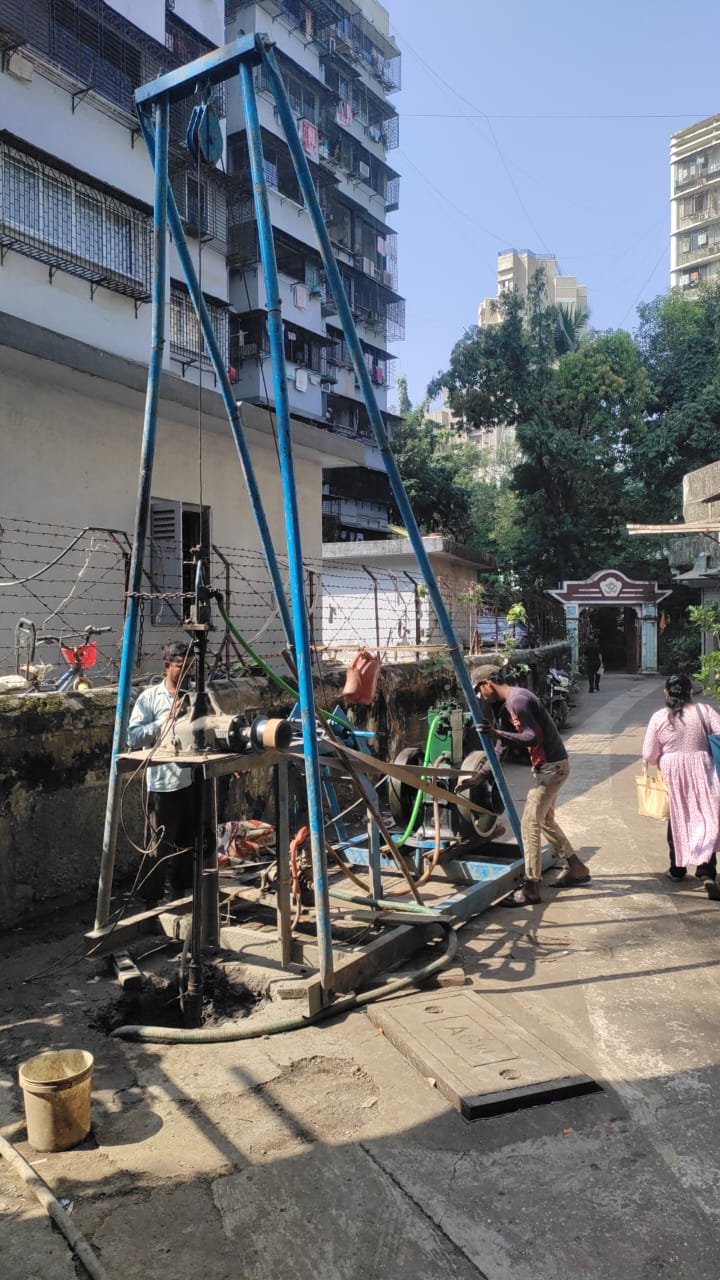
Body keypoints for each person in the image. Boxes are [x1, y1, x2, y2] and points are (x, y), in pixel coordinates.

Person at [474, 664, 591, 906]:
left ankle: (531, 887)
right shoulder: (506, 707)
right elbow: (501, 748)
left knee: (529, 824)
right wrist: (480, 775)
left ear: (487, 683)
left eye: (478, 689)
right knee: (546, 821)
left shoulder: (518, 700)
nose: (479, 696)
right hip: (548, 767)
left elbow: (532, 738)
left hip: (552, 768)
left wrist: (496, 732)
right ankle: (577, 868)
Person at [127, 640, 196, 906]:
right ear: (167, 665)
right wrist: (162, 722)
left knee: (188, 843)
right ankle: (151, 904)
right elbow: (132, 736)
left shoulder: (196, 695)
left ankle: (180, 897)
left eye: (191, 666)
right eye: (182, 666)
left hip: (192, 779)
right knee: (158, 847)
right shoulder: (150, 698)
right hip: (163, 783)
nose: (187, 672)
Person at [642, 672, 720, 887]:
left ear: (666, 692)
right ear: (691, 691)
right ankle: (706, 872)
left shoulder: (659, 717)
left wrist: (662, 758)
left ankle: (677, 869)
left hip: (672, 771)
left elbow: (649, 753)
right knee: (706, 817)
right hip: (703, 767)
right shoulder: (704, 711)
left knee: (678, 817)